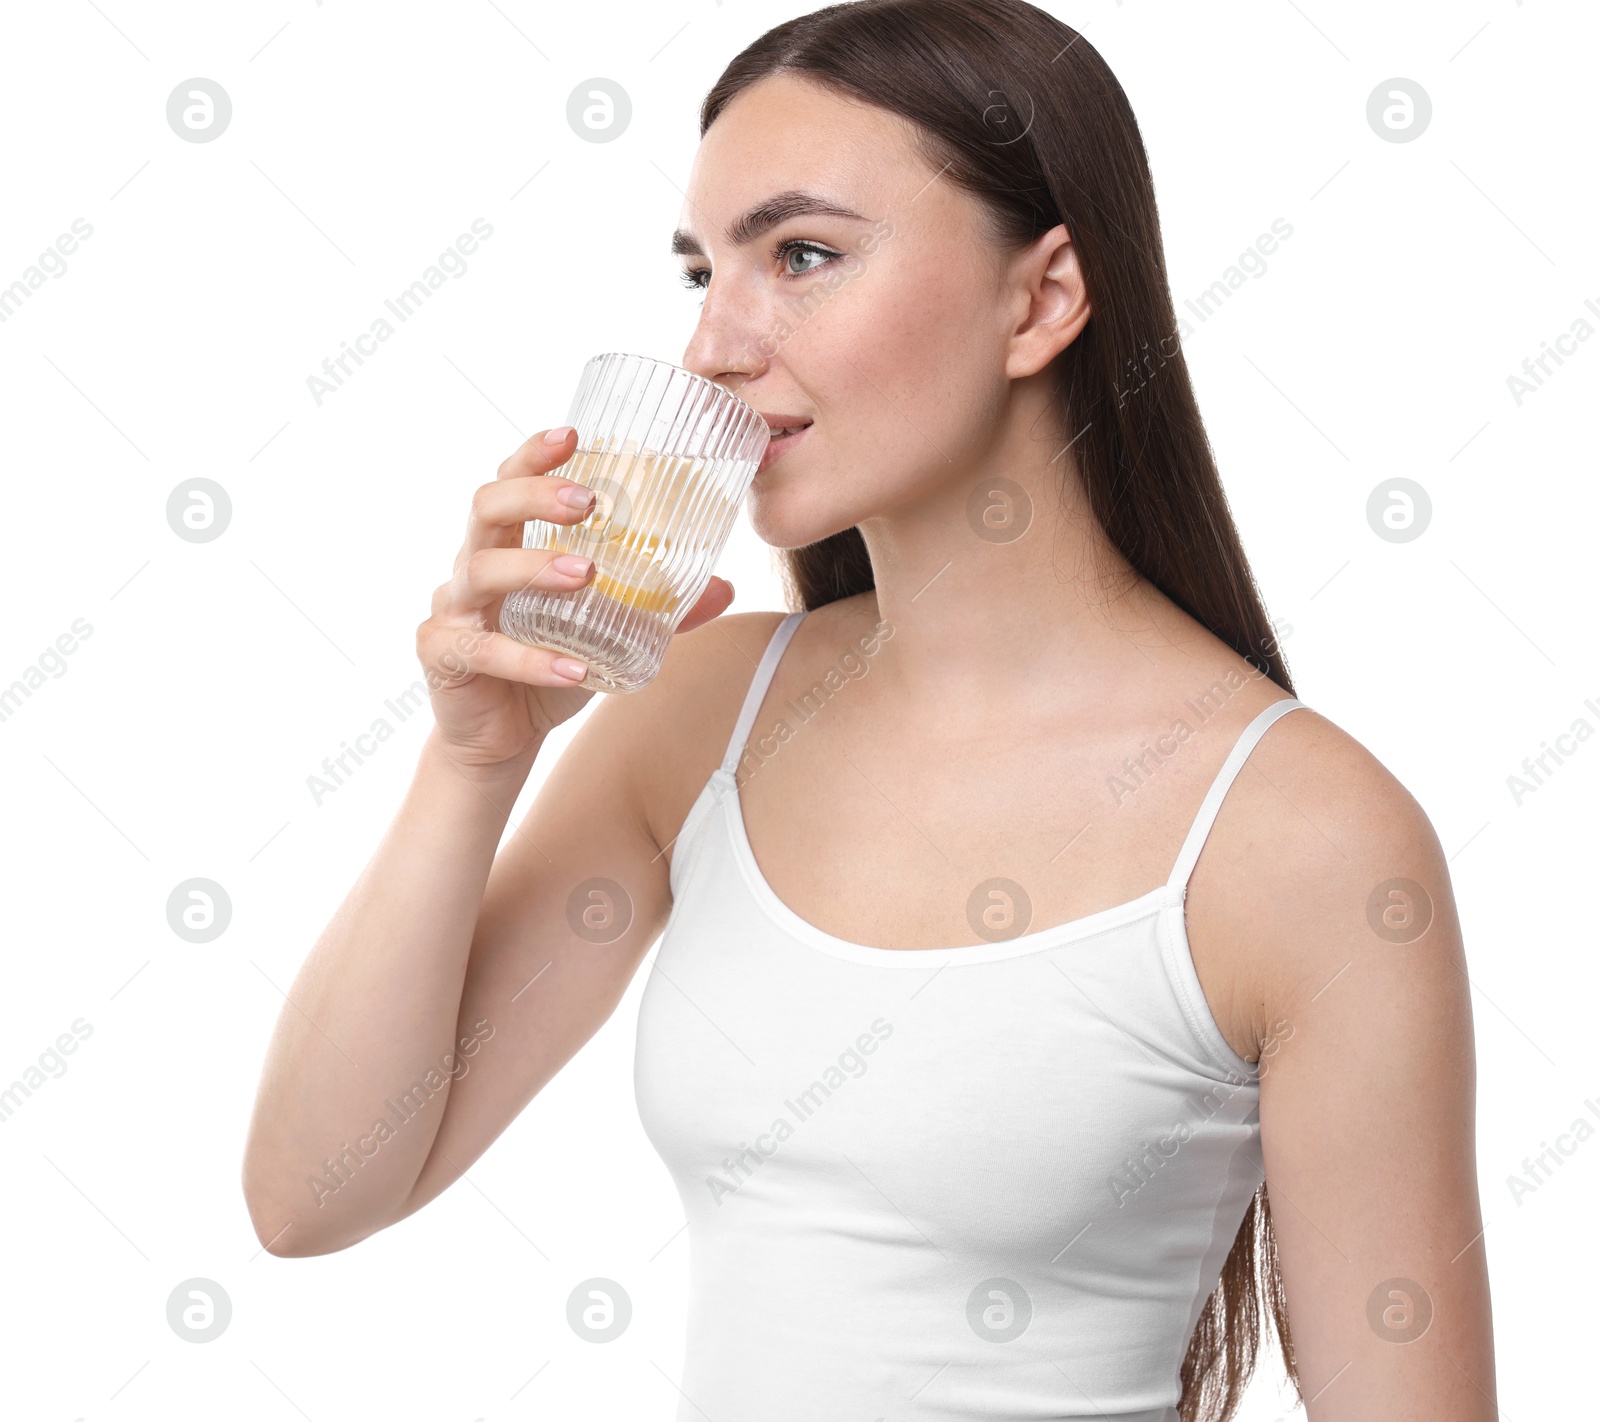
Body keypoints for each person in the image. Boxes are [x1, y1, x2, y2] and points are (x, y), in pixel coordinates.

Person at [242, 1, 1497, 1417]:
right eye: (702, 269)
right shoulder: (710, 708)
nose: (714, 343)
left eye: (805, 256)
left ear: (1043, 299)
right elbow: (313, 1192)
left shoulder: (1301, 836)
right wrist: (473, 758)